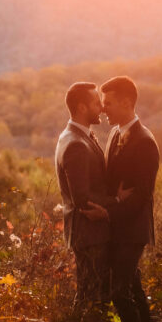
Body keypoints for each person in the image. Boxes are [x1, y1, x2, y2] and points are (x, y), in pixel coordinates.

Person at [100, 75, 159, 322]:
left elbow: (141, 198)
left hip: (132, 231)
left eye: (108, 103)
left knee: (119, 293)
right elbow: (113, 184)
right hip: (117, 229)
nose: (103, 109)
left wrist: (112, 211)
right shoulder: (113, 135)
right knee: (133, 293)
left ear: (126, 102)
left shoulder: (146, 142)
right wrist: (113, 200)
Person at [54, 82, 128, 304]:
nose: (102, 108)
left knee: (89, 295)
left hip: (88, 234)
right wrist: (115, 201)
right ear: (82, 107)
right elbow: (82, 198)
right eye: (97, 103)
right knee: (93, 299)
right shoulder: (76, 143)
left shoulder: (74, 135)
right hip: (89, 235)